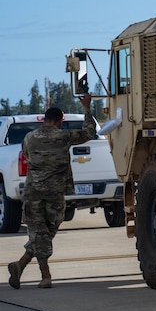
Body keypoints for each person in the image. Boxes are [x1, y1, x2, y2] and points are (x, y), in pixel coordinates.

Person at [7, 94, 97, 289]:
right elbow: (89, 132)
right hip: (55, 193)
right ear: (60, 120)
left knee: (40, 233)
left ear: (45, 119)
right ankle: (45, 276)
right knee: (47, 232)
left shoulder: (29, 138)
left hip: (33, 194)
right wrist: (87, 109)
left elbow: (26, 154)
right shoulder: (64, 136)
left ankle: (20, 265)